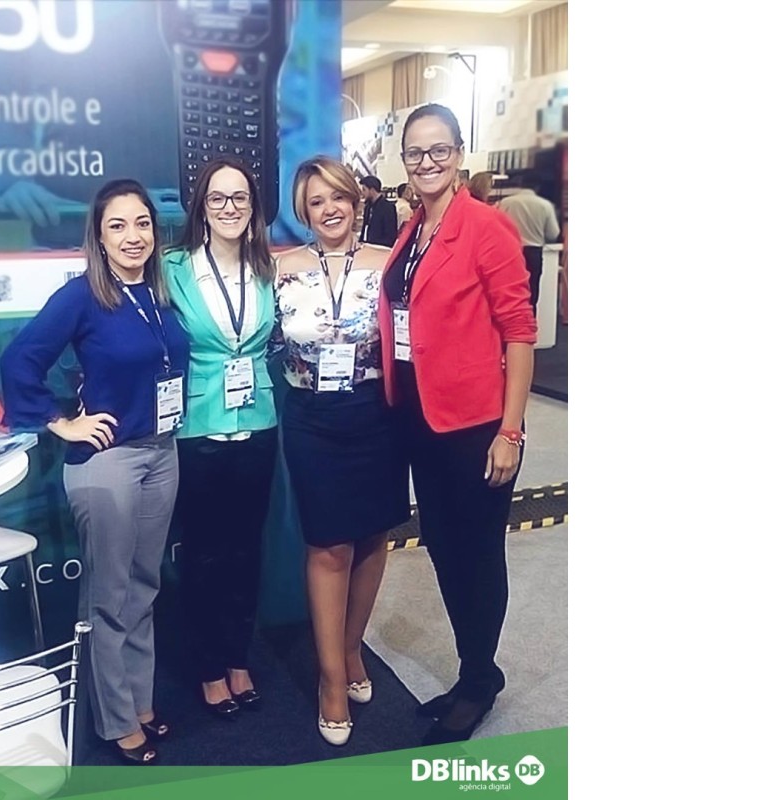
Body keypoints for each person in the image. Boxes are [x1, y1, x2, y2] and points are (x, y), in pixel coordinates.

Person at [0, 178, 190, 766]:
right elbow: (19, 359)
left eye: (142, 223)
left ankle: (139, 702)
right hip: (108, 462)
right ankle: (115, 721)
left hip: (161, 451)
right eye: (118, 226)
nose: (133, 236)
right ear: (99, 238)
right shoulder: (82, 296)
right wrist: (62, 422)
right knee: (108, 596)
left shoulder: (159, 292)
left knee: (144, 586)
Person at [376, 104, 537, 745]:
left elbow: (519, 332)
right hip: (421, 419)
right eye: (415, 152)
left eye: (438, 149)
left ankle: (478, 682)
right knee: (443, 548)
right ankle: (475, 669)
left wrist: (511, 430)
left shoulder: (486, 227)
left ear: (460, 153)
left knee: (477, 554)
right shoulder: (414, 228)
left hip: (476, 425)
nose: (427, 162)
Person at [274, 156, 410, 746]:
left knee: (374, 536)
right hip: (312, 418)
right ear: (303, 212)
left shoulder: (388, 262)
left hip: (377, 414)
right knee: (329, 545)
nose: (329, 209)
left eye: (338, 197)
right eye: (316, 201)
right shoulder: (281, 268)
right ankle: (330, 679)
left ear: (356, 202)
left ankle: (353, 648)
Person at [162, 157, 279, 721]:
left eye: (240, 198)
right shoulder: (173, 268)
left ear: (253, 207)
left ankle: (237, 657)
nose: (229, 207)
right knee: (204, 552)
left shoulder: (267, 269)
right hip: (197, 426)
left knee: (246, 549)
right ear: (201, 207)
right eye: (217, 198)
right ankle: (209, 666)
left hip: (258, 423)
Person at [498, 174, 561, 309]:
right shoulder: (545, 205)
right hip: (534, 253)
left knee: (510, 294)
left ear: (520, 185)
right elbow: (553, 233)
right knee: (532, 295)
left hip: (511, 252)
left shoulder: (506, 203)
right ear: (537, 187)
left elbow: (496, 227)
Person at [358, 175, 399, 247]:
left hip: (380, 248)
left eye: (364, 190)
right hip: (365, 245)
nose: (362, 193)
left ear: (372, 190)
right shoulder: (368, 207)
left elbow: (390, 235)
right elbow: (365, 227)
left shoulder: (388, 207)